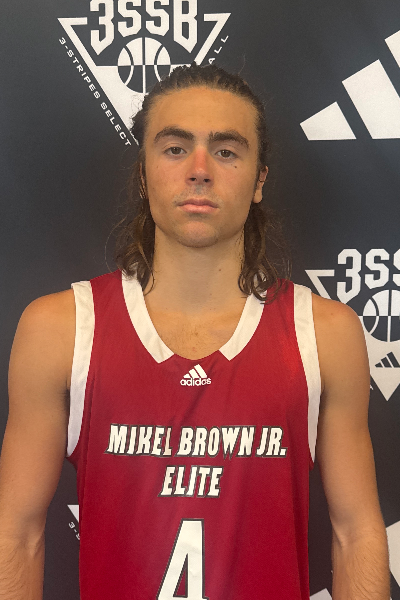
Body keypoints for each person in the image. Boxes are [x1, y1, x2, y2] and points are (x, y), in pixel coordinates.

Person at [0, 64, 391, 600]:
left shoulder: (324, 334)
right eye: (175, 148)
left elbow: (355, 534)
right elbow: (16, 534)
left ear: (259, 181)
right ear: (143, 175)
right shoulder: (60, 329)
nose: (200, 170)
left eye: (226, 151)